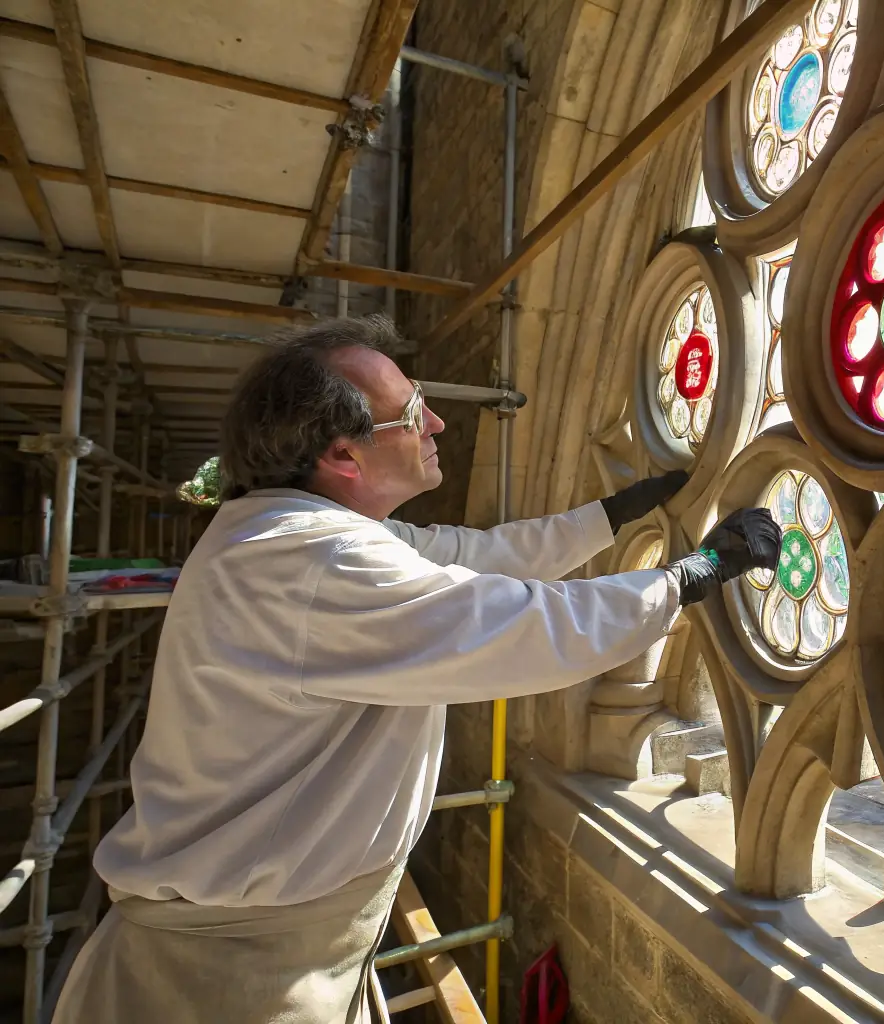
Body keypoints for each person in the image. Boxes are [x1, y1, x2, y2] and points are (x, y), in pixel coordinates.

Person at [53, 315, 780, 1024]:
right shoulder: (311, 560)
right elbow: (514, 628)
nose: (435, 425)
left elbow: (471, 555)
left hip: (277, 939)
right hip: (230, 979)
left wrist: (611, 515)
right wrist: (696, 572)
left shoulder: (299, 526)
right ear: (345, 456)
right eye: (414, 413)